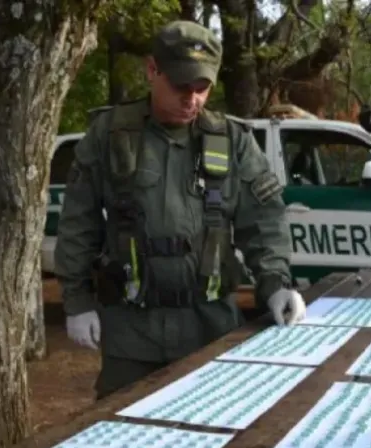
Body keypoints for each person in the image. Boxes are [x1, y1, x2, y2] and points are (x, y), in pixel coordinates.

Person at [53, 20, 306, 400]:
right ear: (152, 70)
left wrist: (276, 285)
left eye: (202, 88)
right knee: (122, 427)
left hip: (210, 329)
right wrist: (77, 302)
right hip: (131, 333)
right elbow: (78, 223)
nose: (192, 99)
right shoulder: (109, 135)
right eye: (181, 86)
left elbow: (264, 220)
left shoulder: (231, 141)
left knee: (213, 426)